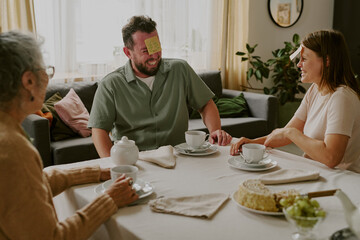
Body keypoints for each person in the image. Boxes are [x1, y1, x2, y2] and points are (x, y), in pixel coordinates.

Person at [0, 31, 138, 239]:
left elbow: (31, 183)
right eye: (45, 70)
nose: (47, 78)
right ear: (28, 81)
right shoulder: (13, 149)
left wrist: (92, 172)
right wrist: (109, 200)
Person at [88, 15, 232, 157]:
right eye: (146, 50)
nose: (154, 55)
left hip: (179, 157)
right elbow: (99, 130)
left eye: (156, 47)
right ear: (128, 53)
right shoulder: (111, 84)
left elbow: (206, 104)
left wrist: (215, 131)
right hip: (135, 161)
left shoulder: (180, 69)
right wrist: (112, 166)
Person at [230, 30, 360, 173]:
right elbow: (283, 135)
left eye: (304, 58)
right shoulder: (314, 90)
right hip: (315, 171)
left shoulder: (342, 98)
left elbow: (331, 157)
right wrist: (253, 143)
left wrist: (292, 133)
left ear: (326, 61)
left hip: (343, 178)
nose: (298, 64)